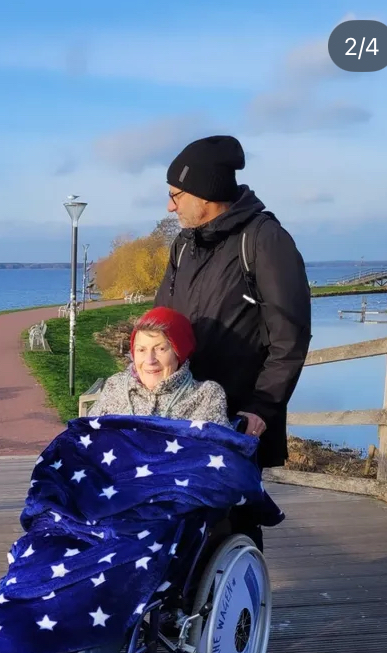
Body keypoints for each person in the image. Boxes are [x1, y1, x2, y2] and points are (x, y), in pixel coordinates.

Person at [153, 134, 312, 470]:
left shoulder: (264, 240)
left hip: (237, 426)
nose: (170, 206)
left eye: (175, 195)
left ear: (204, 194)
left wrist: (261, 408)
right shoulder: (183, 245)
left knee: (232, 523)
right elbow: (159, 324)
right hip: (179, 421)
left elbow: (290, 338)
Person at [89, 305, 231, 427]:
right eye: (141, 350)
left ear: (179, 353)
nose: (149, 360)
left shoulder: (206, 395)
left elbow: (217, 451)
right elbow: (85, 436)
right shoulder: (116, 386)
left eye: (160, 349)